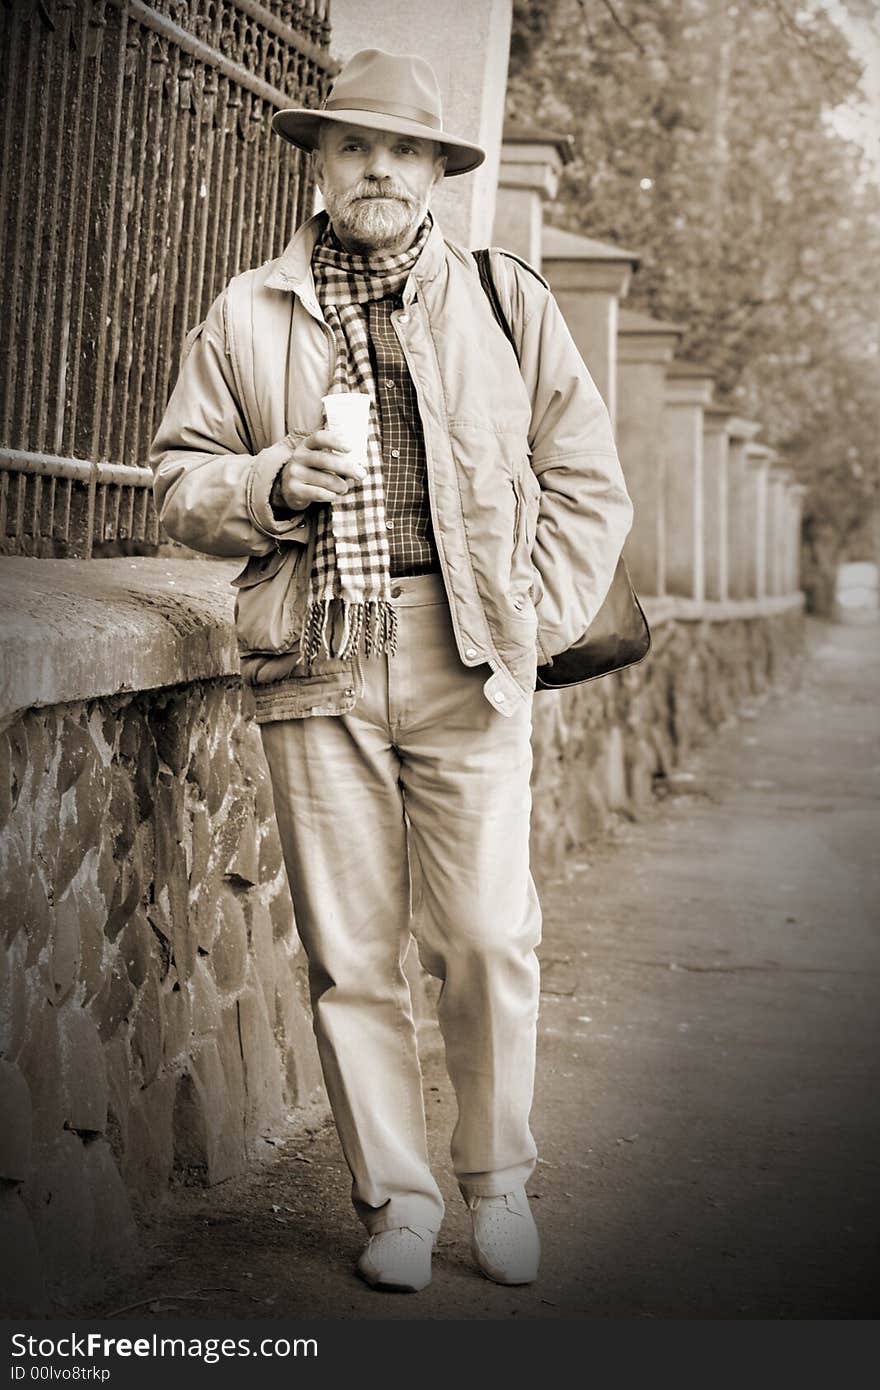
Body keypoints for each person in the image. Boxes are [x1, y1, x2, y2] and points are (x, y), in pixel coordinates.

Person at [150, 47, 633, 1294]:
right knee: (351, 955)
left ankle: (499, 1182)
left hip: (466, 651)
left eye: (405, 148)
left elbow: (587, 480)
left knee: (482, 933)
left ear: (437, 171)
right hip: (314, 653)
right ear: (317, 161)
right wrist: (265, 484)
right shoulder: (247, 311)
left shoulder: (501, 297)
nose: (379, 167)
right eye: (355, 144)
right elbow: (177, 483)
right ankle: (397, 1204)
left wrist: (535, 617)